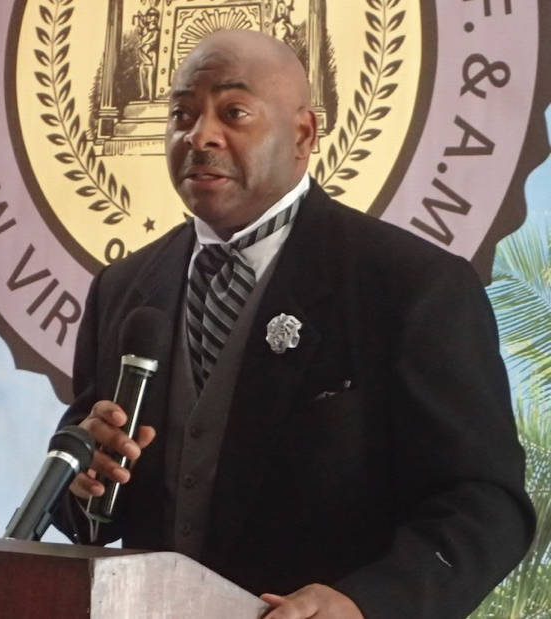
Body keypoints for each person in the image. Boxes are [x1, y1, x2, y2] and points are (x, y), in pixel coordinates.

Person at [53, 29, 535, 619]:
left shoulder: (411, 284)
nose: (198, 135)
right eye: (180, 113)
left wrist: (367, 604)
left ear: (303, 134)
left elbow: (485, 502)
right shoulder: (124, 287)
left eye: (233, 112)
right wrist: (83, 485)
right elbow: (91, 504)